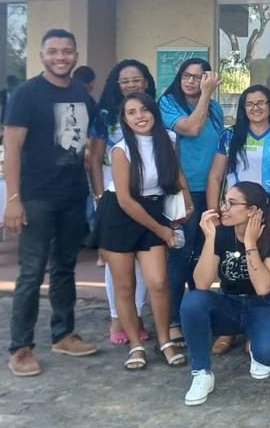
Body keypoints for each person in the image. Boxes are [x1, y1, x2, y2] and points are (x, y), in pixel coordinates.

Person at [3, 29, 99, 377]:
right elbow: (11, 147)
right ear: (42, 54)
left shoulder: (81, 94)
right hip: (37, 196)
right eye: (54, 51)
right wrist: (13, 199)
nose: (61, 57)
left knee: (64, 269)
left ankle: (63, 333)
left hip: (72, 195)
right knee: (31, 273)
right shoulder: (26, 94)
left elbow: (89, 145)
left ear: (75, 54)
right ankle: (21, 347)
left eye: (68, 51)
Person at [98, 92, 192, 369]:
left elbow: (176, 173)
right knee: (125, 285)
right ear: (125, 119)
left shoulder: (170, 139)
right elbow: (125, 200)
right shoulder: (121, 150)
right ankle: (135, 346)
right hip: (120, 216)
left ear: (153, 111)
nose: (139, 116)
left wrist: (185, 197)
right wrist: (162, 231)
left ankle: (165, 341)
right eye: (131, 112)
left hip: (153, 209)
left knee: (159, 282)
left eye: (144, 110)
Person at [181, 182, 270, 405]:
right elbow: (201, 283)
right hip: (228, 303)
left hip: (263, 306)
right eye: (224, 202)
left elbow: (263, 288)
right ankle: (201, 373)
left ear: (252, 211)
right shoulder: (221, 233)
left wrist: (250, 243)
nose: (224, 208)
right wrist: (210, 239)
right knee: (193, 302)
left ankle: (256, 345)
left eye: (231, 203)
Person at [88, 60, 156, 344]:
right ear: (117, 85)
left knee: (142, 261)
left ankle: (136, 314)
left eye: (136, 80)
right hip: (113, 195)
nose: (131, 85)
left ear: (146, 82)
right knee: (116, 261)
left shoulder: (153, 111)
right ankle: (117, 315)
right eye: (125, 81)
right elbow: (94, 158)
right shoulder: (105, 114)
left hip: (148, 193)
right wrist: (100, 196)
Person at [159, 58, 223, 348]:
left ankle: (197, 315)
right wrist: (207, 94)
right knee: (179, 259)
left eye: (198, 77)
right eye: (186, 75)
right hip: (179, 193)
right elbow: (191, 128)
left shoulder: (217, 110)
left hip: (208, 192)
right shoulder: (168, 103)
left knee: (203, 258)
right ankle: (173, 320)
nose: (191, 82)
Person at [206, 86, 270, 209]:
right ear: (244, 109)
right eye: (249, 104)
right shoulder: (230, 135)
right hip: (236, 208)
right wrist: (213, 214)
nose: (255, 108)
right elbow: (215, 177)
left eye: (260, 103)